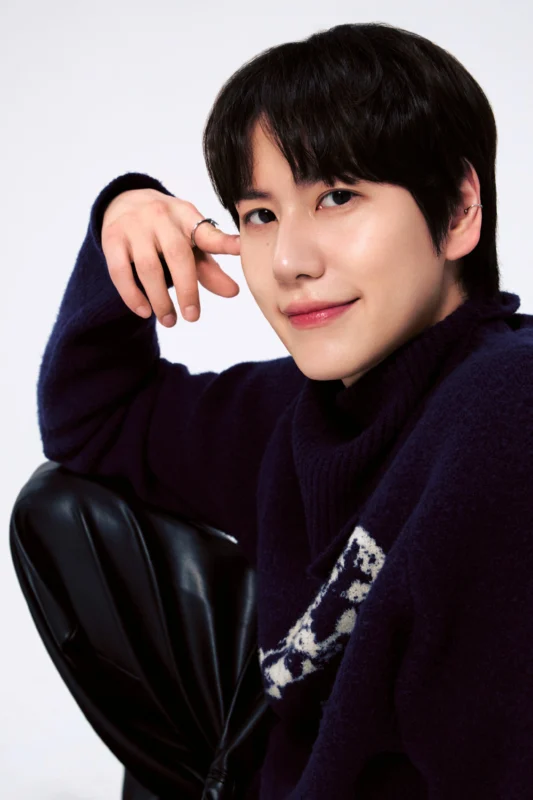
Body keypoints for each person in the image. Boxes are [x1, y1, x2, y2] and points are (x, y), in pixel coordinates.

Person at [36, 20, 533, 799]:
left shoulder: (508, 402)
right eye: (260, 215)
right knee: (55, 508)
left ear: (459, 211)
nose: (291, 262)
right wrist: (126, 217)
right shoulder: (298, 412)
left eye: (337, 196)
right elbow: (92, 419)